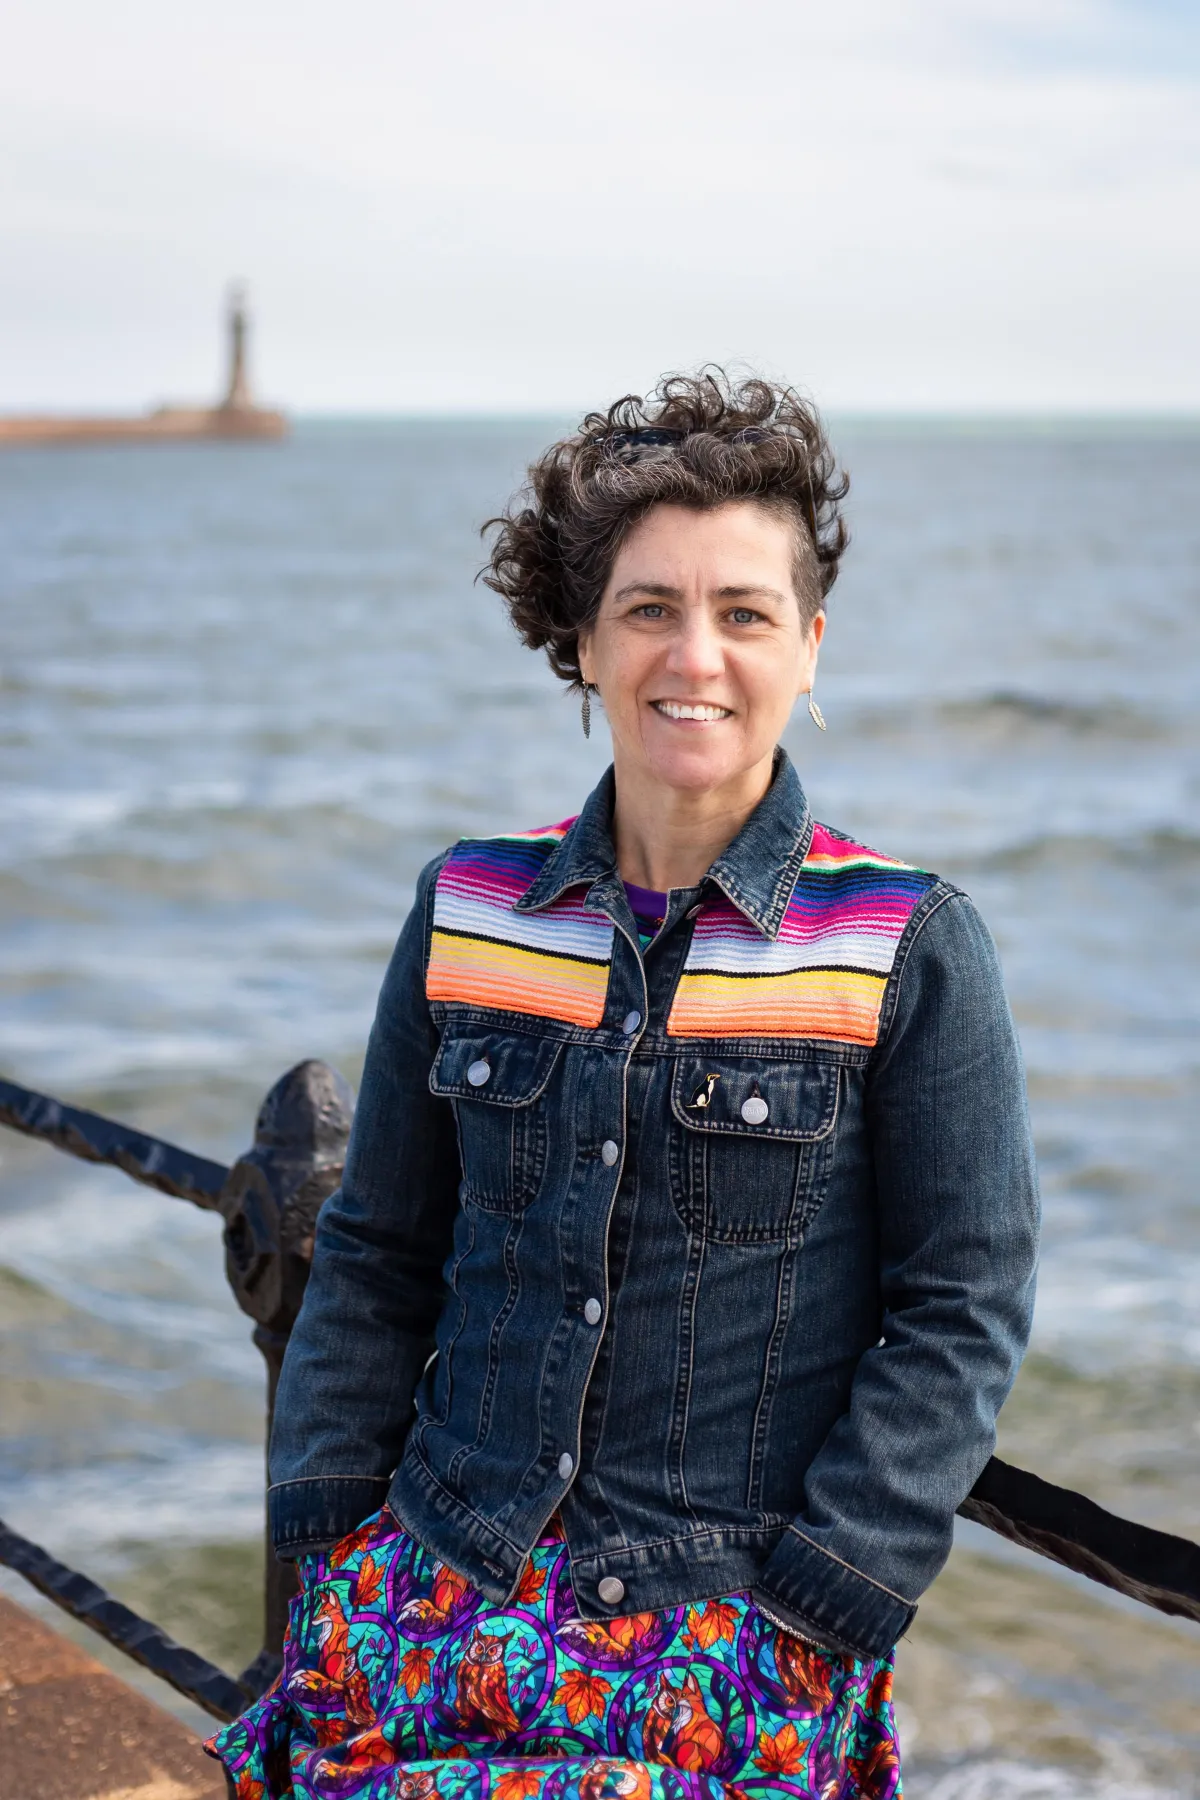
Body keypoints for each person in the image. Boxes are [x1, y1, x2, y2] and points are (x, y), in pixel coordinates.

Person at [207, 371, 1040, 1800]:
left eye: (745, 612)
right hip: (428, 1585)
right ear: (582, 644)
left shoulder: (906, 945)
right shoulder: (471, 910)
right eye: (649, 608)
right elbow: (376, 1252)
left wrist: (824, 1602)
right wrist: (329, 1546)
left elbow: (962, 1309)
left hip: (727, 1637)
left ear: (811, 648)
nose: (694, 655)